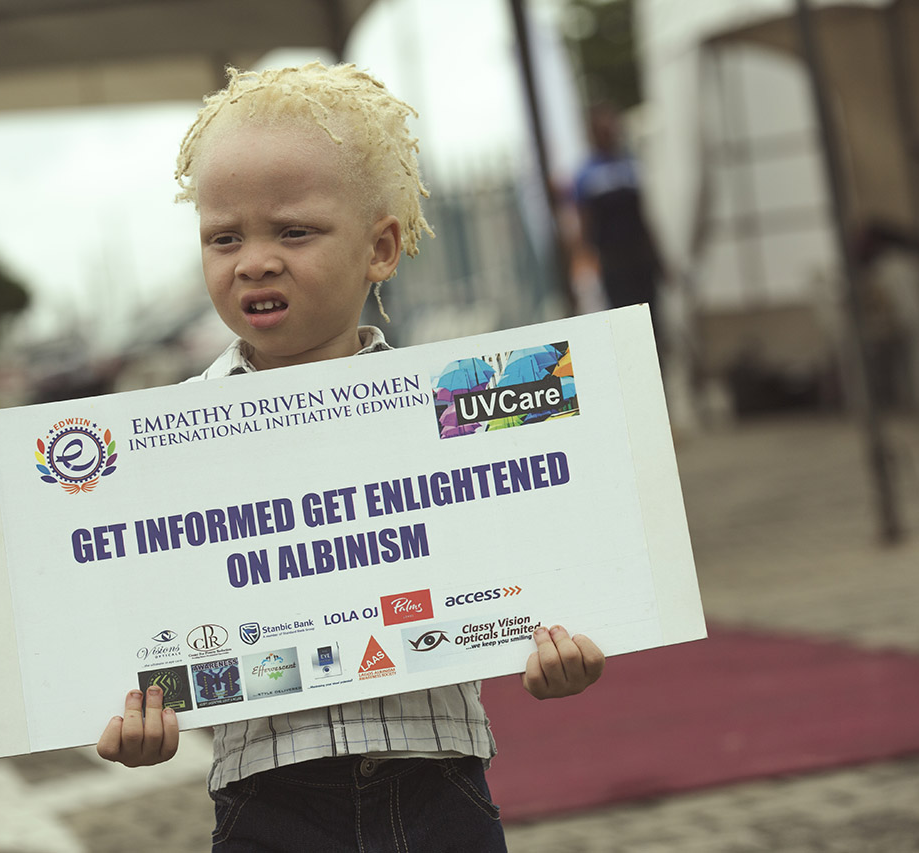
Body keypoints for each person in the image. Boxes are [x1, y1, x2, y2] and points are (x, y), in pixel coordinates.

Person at [96, 63, 605, 852]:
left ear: (381, 248)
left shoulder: (446, 405)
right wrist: (138, 711)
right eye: (225, 237)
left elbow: (526, 557)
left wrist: (557, 644)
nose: (254, 261)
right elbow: (137, 616)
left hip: (437, 784)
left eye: (293, 231)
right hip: (268, 799)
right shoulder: (166, 440)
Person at [572, 103, 665, 345]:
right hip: (613, 261)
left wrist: (656, 254)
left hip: (640, 257)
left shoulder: (631, 166)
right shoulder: (586, 175)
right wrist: (586, 263)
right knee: (624, 324)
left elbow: (643, 214)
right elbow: (584, 223)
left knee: (653, 321)